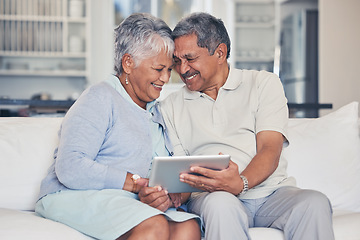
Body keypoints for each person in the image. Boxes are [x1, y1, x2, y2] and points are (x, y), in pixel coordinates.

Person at [160, 12, 335, 240]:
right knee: (221, 205)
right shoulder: (169, 106)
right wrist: (172, 194)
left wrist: (240, 183)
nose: (182, 70)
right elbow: (181, 173)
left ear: (220, 53)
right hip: (211, 197)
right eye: (177, 61)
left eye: (190, 59)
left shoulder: (263, 84)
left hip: (271, 194)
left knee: (314, 202)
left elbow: (270, 149)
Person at [35, 13, 200, 240]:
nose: (165, 78)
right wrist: (134, 183)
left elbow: (161, 172)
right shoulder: (100, 97)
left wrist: (166, 195)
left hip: (127, 200)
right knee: (155, 225)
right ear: (128, 63)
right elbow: (70, 167)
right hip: (74, 194)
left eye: (169, 69)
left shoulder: (157, 111)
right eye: (158, 68)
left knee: (188, 227)